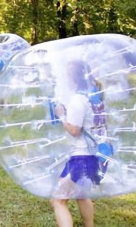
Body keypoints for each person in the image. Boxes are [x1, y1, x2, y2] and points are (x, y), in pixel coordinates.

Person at [50, 61, 101, 227]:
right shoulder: (91, 98)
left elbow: (74, 130)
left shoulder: (77, 100)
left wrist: (61, 115)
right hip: (91, 156)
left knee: (58, 200)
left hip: (81, 158)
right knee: (82, 195)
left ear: (72, 78)